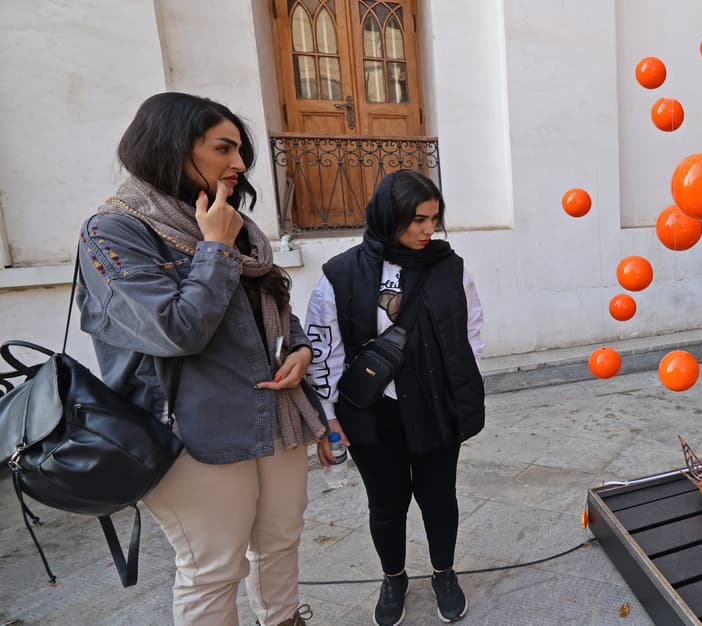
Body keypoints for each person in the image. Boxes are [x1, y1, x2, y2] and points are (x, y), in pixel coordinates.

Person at [75, 93, 326, 626]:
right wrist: (214, 248)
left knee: (280, 540)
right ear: (170, 147)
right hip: (192, 432)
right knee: (212, 568)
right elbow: (175, 330)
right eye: (223, 148)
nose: (239, 164)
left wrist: (299, 347)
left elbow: (270, 302)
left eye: (240, 151)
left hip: (274, 413)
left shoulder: (227, 223)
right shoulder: (113, 232)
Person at [304, 169, 485, 625]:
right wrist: (329, 418)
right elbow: (325, 349)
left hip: (435, 408)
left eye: (434, 219)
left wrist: (456, 389)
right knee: (386, 504)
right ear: (389, 216)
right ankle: (394, 578)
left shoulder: (450, 268)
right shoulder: (341, 274)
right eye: (418, 220)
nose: (429, 230)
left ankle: (444, 574)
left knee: (439, 497)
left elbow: (471, 333)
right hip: (372, 414)